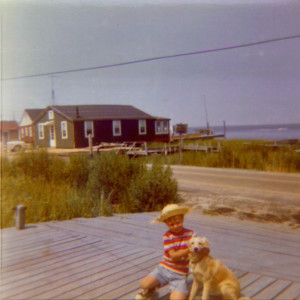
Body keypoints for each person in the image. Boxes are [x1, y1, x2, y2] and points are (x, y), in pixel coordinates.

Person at [135, 203, 209, 300]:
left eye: (178, 222)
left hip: (180, 274)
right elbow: (174, 256)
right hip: (164, 269)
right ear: (166, 224)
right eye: (171, 224)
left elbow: (203, 248)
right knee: (144, 283)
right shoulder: (167, 236)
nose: (175, 226)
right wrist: (189, 249)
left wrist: (203, 250)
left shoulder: (191, 234)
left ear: (182, 219)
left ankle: (174, 289)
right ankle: (150, 289)